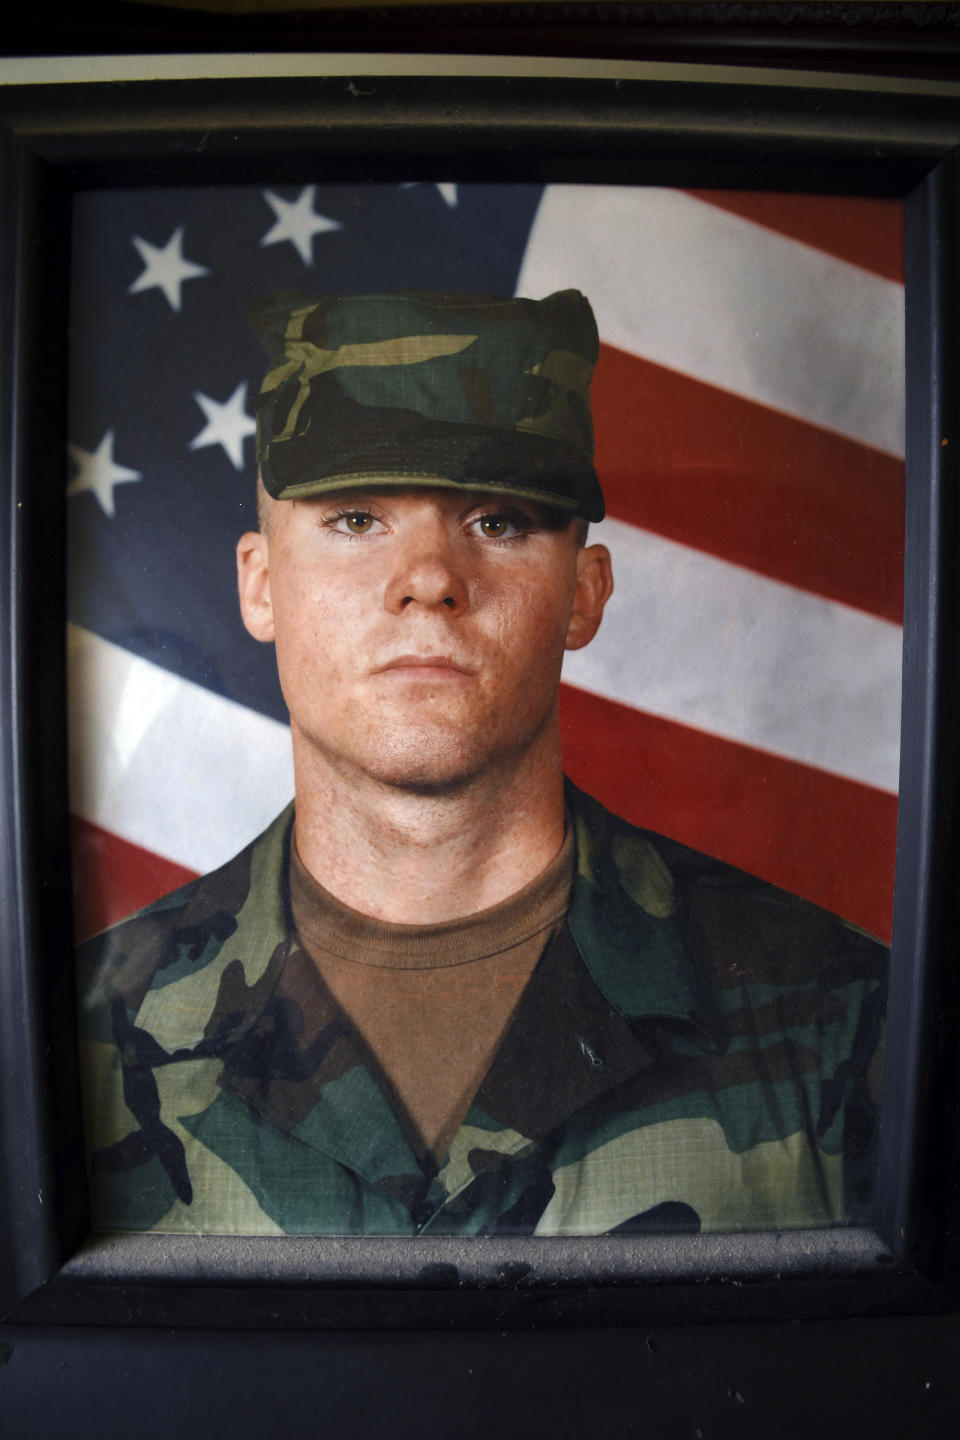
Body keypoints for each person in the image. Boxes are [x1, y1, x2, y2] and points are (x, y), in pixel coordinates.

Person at [77, 289, 887, 1237]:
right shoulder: (81, 1044)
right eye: (355, 518)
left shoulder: (848, 1022)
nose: (428, 578)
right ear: (260, 585)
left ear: (584, 595)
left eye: (498, 519)